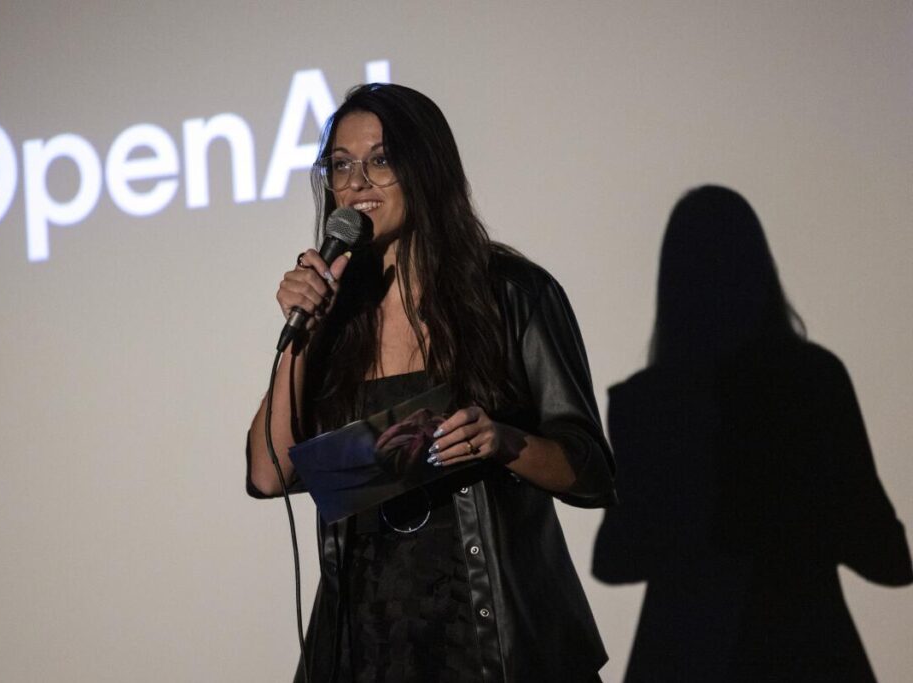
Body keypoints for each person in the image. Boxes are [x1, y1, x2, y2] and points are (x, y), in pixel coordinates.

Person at [247, 83, 616, 683]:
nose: (357, 181)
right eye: (341, 165)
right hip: (367, 650)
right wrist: (305, 338)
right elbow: (269, 475)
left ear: (427, 169)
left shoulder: (513, 294)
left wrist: (504, 441)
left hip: (498, 649)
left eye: (381, 160)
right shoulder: (336, 319)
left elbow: (592, 473)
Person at [592, 185, 913, 682]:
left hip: (682, 655)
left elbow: (615, 558)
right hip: (806, 651)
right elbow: (886, 555)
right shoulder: (815, 381)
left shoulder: (647, 401)